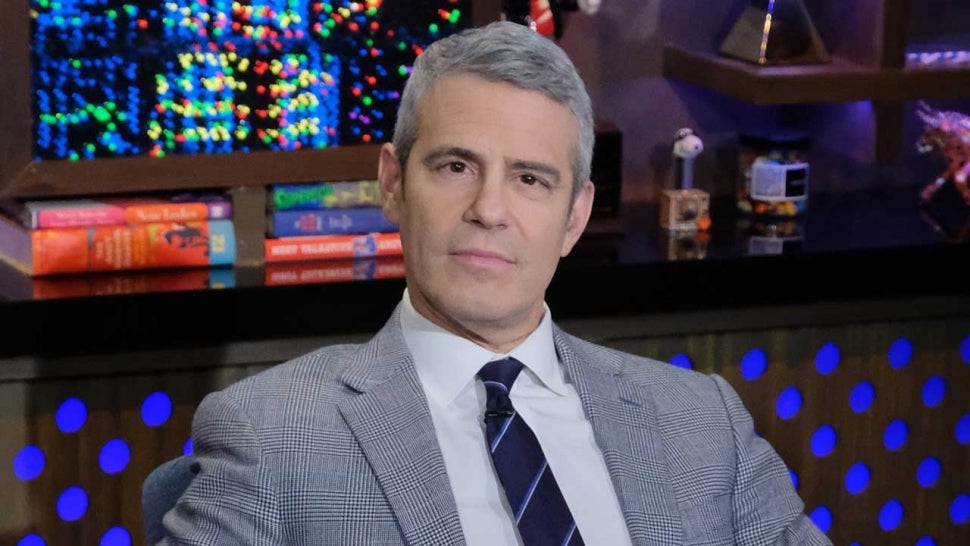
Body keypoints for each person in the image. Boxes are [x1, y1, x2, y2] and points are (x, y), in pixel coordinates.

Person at [158, 21, 831, 545]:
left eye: (530, 179)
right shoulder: (271, 435)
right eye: (455, 167)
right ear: (392, 184)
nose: (489, 209)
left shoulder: (703, 421)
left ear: (575, 217)